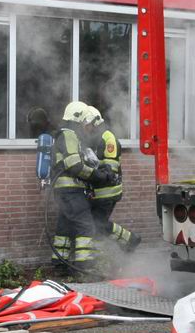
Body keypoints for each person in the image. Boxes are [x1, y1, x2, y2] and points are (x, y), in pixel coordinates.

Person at [51, 101, 117, 273]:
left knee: (64, 227)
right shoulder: (69, 135)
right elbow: (75, 166)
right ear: (79, 119)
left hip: (64, 191)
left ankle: (60, 265)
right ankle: (84, 267)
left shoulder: (66, 135)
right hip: (71, 190)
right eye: (86, 123)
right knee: (86, 225)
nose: (88, 127)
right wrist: (100, 176)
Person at [80, 106, 141, 253]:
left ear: (95, 122)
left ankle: (128, 240)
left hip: (108, 192)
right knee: (95, 225)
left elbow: (110, 169)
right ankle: (127, 241)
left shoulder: (108, 138)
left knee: (97, 225)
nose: (85, 128)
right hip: (96, 192)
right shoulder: (91, 138)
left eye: (87, 124)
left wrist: (91, 168)